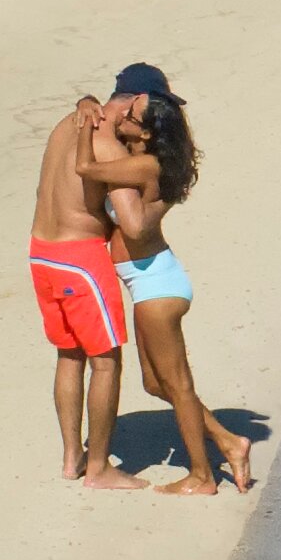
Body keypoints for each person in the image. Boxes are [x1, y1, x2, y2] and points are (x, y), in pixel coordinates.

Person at [86, 64, 250, 494]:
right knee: (156, 384)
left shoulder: (142, 165)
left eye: (134, 117)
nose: (126, 120)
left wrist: (90, 124)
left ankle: (202, 476)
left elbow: (89, 171)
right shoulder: (146, 160)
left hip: (155, 285)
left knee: (177, 385)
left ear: (145, 130)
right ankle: (228, 441)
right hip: (150, 280)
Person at [29, 94, 139, 488]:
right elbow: (133, 223)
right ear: (129, 106)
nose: (144, 131)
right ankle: (99, 468)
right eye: (143, 121)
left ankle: (71, 457)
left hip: (42, 254)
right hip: (81, 260)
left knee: (69, 356)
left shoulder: (66, 125)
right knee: (106, 363)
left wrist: (86, 100)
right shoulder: (107, 147)